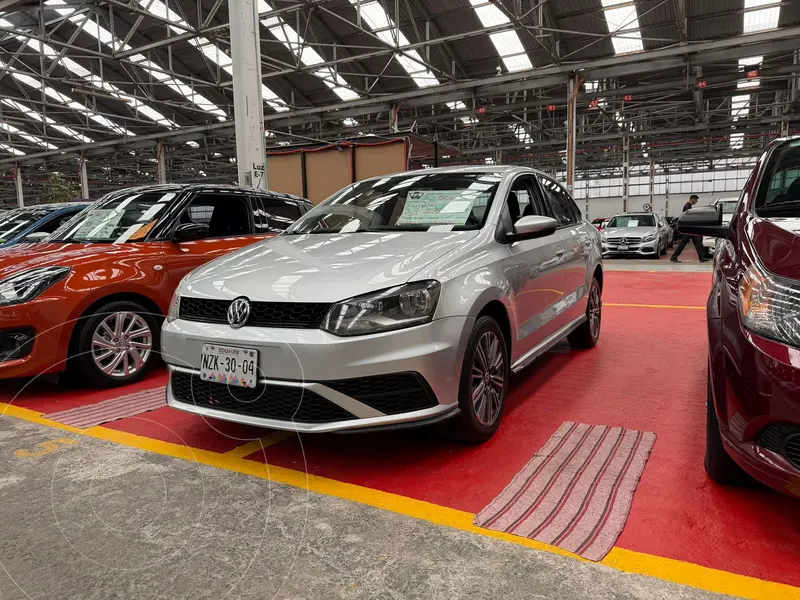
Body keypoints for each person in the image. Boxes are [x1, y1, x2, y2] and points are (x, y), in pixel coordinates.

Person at [670, 194, 710, 263]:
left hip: (690, 229)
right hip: (688, 229)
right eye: (696, 200)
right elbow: (688, 217)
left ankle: (702, 257)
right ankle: (673, 257)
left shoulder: (688, 206)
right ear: (692, 199)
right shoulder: (687, 206)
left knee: (697, 242)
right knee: (684, 243)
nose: (696, 202)